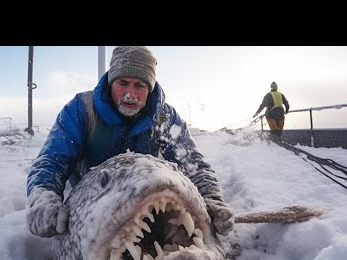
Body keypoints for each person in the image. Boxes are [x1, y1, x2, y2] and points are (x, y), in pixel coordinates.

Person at [26, 46, 234, 239]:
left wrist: (211, 197)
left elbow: (191, 162)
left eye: (139, 85)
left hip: (146, 196)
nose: (130, 94)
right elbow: (53, 160)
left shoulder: (164, 117)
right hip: (93, 197)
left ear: (150, 88)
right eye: (123, 83)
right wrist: (43, 198)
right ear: (111, 82)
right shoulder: (81, 110)